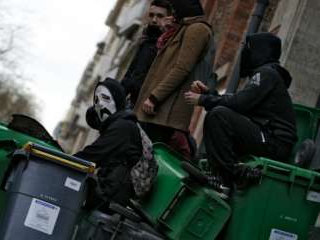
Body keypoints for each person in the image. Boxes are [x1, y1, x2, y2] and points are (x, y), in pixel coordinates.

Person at [184, 32, 297, 189]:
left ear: (260, 50)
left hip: (274, 142)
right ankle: (227, 173)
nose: (244, 52)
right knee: (221, 114)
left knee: (219, 115)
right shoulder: (267, 74)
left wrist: (203, 100)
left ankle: (225, 178)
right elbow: (240, 102)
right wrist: (209, 94)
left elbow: (239, 103)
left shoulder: (267, 73)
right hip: (267, 137)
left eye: (248, 48)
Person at [134, 0, 213, 153]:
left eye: (174, 8)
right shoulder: (185, 28)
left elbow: (182, 68)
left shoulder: (197, 29)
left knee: (148, 158)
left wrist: (155, 97)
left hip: (164, 113)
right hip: (159, 111)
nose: (173, 12)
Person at [75, 78, 142, 208]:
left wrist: (60, 162)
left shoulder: (123, 126)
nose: (100, 104)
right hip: (109, 188)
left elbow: (91, 156)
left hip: (112, 197)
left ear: (117, 101)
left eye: (105, 98)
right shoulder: (119, 123)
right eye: (96, 100)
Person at [121, 0, 172, 106]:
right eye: (151, 15)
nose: (154, 20)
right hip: (133, 101)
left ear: (169, 18)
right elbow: (132, 71)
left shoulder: (171, 44)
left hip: (150, 104)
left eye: (160, 16)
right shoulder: (145, 39)